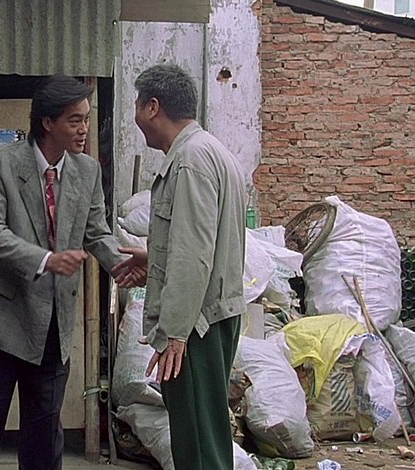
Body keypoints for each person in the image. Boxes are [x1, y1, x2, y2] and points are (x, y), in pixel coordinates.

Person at [0, 75, 134, 470]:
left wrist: (123, 264)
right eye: (75, 120)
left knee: (44, 439)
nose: (84, 129)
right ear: (47, 122)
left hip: (53, 328)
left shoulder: (87, 171)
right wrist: (46, 260)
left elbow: (96, 232)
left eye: (86, 119)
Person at [112, 64, 247, 470]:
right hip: (206, 319)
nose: (135, 116)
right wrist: (154, 260)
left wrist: (174, 334)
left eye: (137, 106)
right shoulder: (209, 151)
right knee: (203, 435)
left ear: (153, 107)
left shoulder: (190, 161)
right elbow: (203, 243)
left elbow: (194, 255)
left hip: (196, 326)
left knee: (198, 446)